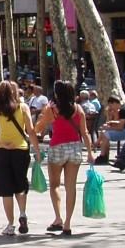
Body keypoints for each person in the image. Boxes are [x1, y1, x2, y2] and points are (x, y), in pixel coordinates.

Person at [35, 80, 95, 236]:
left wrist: (41, 117)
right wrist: (90, 152)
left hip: (57, 148)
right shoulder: (78, 109)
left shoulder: (52, 109)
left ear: (57, 93)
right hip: (75, 148)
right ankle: (68, 223)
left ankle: (58, 218)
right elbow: (85, 133)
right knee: (71, 187)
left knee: (55, 185)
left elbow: (38, 127)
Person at [0, 81, 38, 236]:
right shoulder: (23, 107)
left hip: (2, 151)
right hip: (20, 150)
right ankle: (22, 213)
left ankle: (10, 224)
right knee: (20, 185)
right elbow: (31, 131)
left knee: (6, 190)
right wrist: (37, 150)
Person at [95, 95, 125, 164]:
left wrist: (109, 127)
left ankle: (103, 156)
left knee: (106, 134)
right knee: (105, 132)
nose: (111, 108)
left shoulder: (123, 110)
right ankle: (104, 154)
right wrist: (111, 122)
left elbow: (120, 127)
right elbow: (122, 122)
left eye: (111, 106)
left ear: (114, 103)